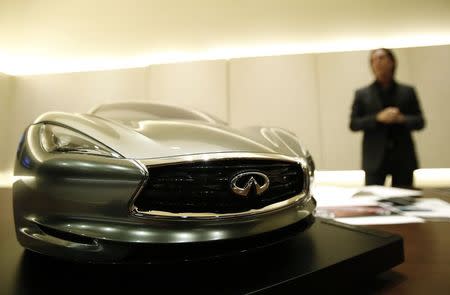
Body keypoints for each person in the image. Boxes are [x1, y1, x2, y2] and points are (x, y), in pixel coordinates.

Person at [350, 48, 425, 187]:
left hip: (403, 157)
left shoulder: (407, 91)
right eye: (373, 60)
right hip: (374, 158)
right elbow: (354, 124)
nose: (377, 62)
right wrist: (378, 118)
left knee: (405, 202)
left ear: (392, 62)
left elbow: (420, 121)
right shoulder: (362, 94)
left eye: (381, 58)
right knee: (373, 204)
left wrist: (401, 119)